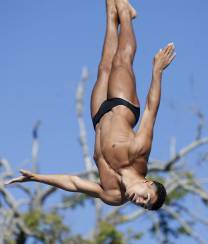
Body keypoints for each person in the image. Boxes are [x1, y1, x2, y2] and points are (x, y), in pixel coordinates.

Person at [6, 0, 175, 211]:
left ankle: (111, 11)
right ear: (147, 183)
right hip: (123, 105)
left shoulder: (113, 195)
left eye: (143, 205)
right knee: (122, 59)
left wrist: (38, 178)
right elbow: (151, 110)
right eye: (146, 198)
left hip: (99, 116)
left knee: (104, 66)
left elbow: (74, 183)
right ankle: (126, 14)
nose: (139, 201)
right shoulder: (139, 153)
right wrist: (157, 72)